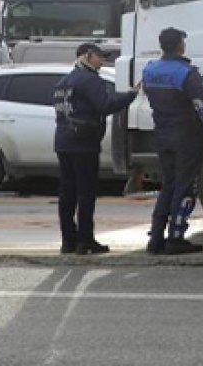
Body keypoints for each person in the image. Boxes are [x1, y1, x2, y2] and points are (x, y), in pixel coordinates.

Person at [141, 27, 203, 255]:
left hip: (161, 134)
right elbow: (201, 106)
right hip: (185, 136)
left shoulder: (149, 70)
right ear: (180, 45)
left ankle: (156, 236)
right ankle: (176, 237)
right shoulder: (186, 73)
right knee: (185, 185)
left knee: (167, 185)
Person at [52, 43, 138, 255]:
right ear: (87, 56)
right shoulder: (90, 80)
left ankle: (68, 240)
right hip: (84, 144)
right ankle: (85, 241)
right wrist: (130, 95)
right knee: (86, 193)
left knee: (67, 193)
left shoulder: (64, 81)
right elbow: (105, 105)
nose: (103, 61)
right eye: (100, 57)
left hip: (63, 142)